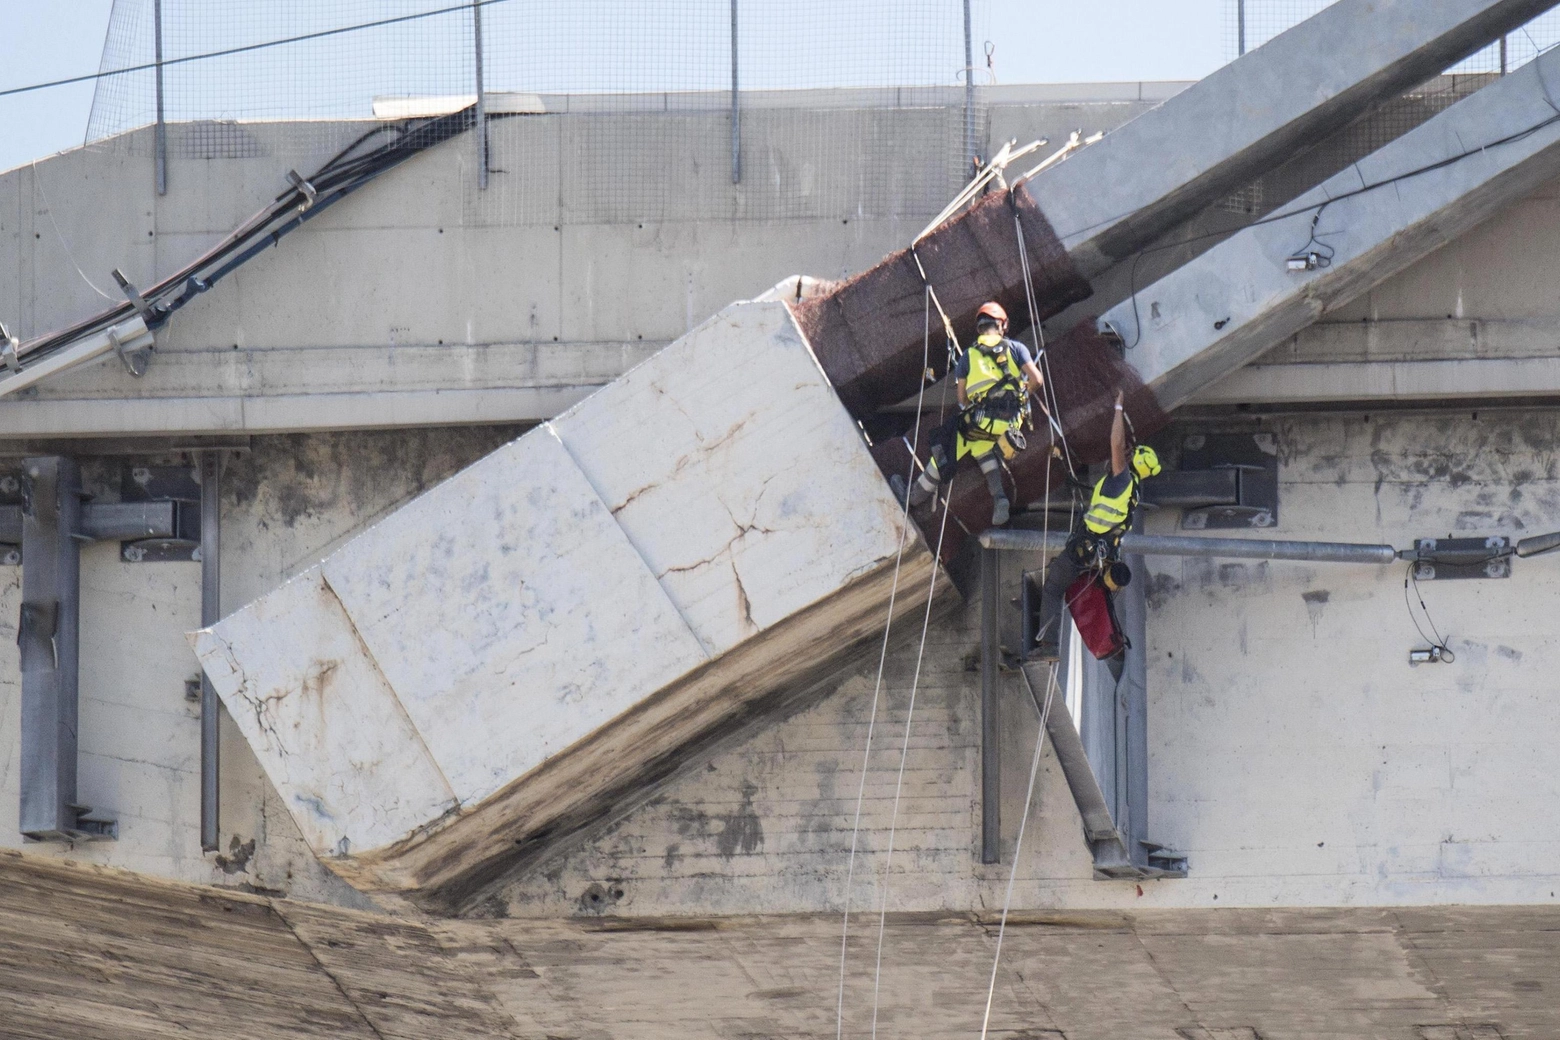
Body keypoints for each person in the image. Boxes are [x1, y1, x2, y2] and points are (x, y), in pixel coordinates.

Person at [890, 301, 1050, 526]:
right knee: (981, 447)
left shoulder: (968, 356)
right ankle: (1000, 498)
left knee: (948, 444)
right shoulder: (1016, 348)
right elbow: (1037, 379)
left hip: (982, 419)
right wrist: (1023, 395)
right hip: (1010, 424)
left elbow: (962, 398)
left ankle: (913, 497)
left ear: (980, 328)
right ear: (1002, 325)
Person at [1031, 388, 1161, 661]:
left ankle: (1049, 647)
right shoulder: (1132, 492)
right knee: (1070, 585)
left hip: (1086, 548)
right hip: (1099, 555)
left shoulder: (1123, 478)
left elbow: (1115, 442)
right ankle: (1054, 635)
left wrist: (1118, 408)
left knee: (1054, 588)